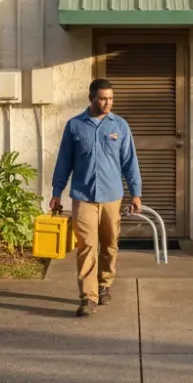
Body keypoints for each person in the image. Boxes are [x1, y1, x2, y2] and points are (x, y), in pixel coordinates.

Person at [50, 78, 141, 317]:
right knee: (86, 246)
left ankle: (104, 285)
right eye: (103, 98)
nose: (107, 102)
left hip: (112, 196)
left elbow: (130, 162)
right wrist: (56, 193)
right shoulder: (74, 126)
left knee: (110, 245)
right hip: (84, 196)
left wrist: (136, 193)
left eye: (110, 98)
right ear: (91, 98)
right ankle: (88, 297)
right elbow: (63, 162)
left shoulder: (120, 126)